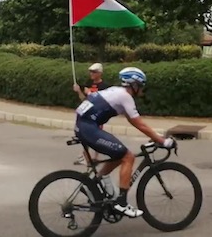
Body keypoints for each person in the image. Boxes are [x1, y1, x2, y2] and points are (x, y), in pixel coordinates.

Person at [73, 67, 175, 218]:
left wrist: (156, 137)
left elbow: (135, 122)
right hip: (88, 128)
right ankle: (121, 203)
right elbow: (139, 124)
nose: (142, 89)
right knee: (128, 157)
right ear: (134, 85)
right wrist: (163, 141)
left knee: (118, 155)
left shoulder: (116, 91)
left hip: (84, 125)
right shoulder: (125, 97)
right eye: (141, 85)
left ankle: (93, 186)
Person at [72, 63, 111, 166]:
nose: (91, 74)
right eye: (90, 71)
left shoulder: (104, 86)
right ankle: (87, 156)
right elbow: (84, 100)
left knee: (96, 135)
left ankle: (93, 157)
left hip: (98, 114)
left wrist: (90, 93)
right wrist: (79, 91)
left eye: (94, 72)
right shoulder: (88, 84)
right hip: (88, 114)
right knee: (86, 135)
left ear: (100, 73)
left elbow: (103, 102)